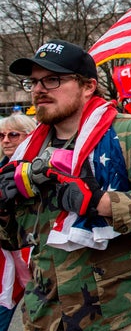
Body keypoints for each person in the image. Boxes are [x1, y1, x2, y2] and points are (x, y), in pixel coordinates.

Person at [1, 39, 131, 330]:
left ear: (88, 86)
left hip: (123, 311)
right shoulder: (27, 152)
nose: (39, 90)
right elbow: (17, 238)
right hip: (47, 314)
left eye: (52, 80)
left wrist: (101, 203)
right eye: (34, 82)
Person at [0, 115, 36, 331]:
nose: (5, 140)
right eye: (2, 135)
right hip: (8, 266)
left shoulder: (40, 168)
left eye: (13, 134)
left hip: (38, 263)